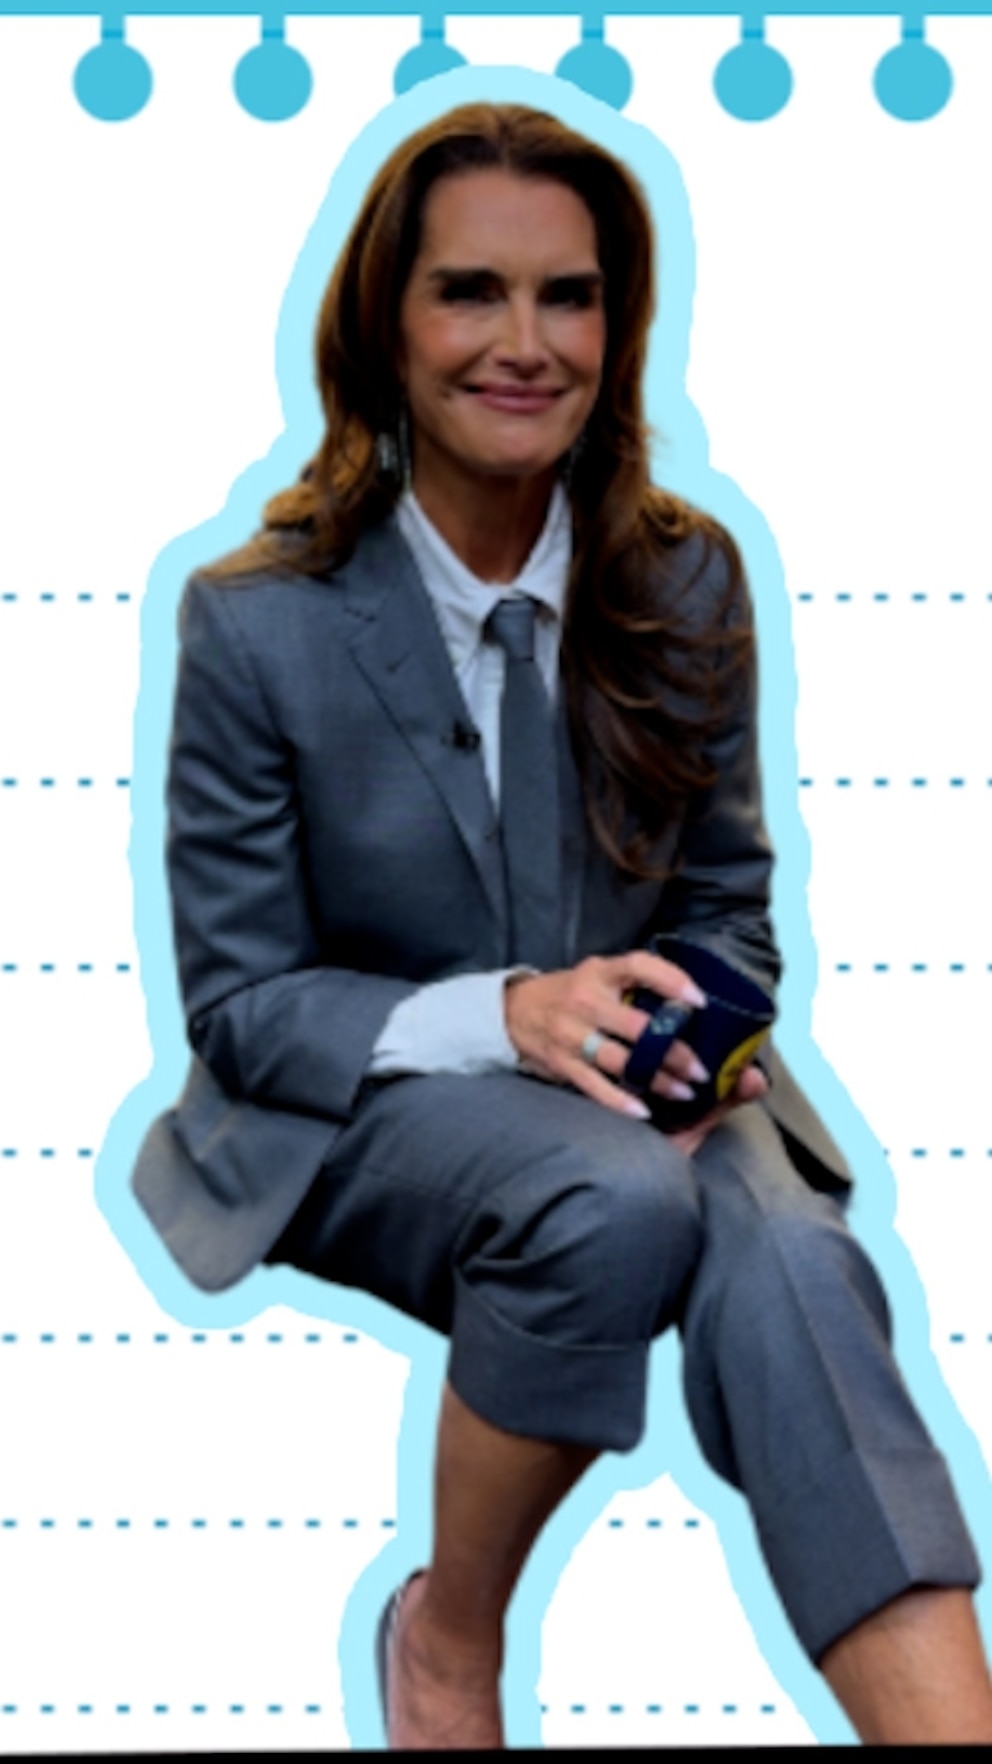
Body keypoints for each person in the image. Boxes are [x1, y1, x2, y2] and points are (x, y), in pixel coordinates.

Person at [131, 102, 992, 1748]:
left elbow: (727, 908)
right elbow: (241, 1009)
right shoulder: (255, 623)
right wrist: (508, 1016)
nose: (526, 344)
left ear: (619, 325)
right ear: (385, 326)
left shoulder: (685, 581)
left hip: (644, 1094)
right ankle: (450, 1642)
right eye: (471, 291)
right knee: (610, 1200)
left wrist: (693, 1039)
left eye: (570, 297)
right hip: (362, 1103)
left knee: (798, 1262)